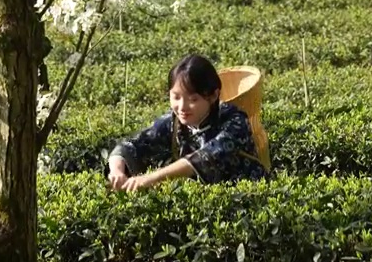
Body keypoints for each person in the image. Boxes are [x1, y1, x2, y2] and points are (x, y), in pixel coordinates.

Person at [107, 53, 268, 191]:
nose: (182, 107)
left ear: (213, 96)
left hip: (245, 199)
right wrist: (117, 171)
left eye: (193, 99)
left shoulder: (235, 120)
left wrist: (150, 179)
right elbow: (130, 145)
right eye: (176, 97)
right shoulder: (174, 121)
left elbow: (205, 157)